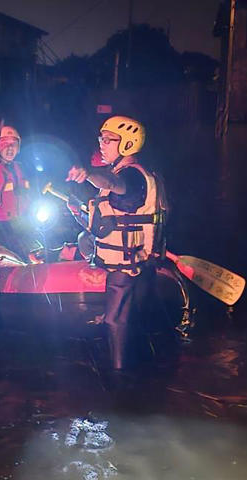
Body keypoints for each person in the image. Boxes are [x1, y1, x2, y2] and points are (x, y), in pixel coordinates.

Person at [65, 115, 166, 371]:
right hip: (138, 264)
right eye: (101, 139)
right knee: (135, 320)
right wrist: (79, 212)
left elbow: (114, 184)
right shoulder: (135, 174)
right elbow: (107, 223)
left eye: (108, 140)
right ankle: (151, 367)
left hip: (127, 266)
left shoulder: (130, 176)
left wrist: (88, 174)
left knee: (114, 321)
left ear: (128, 144)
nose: (102, 144)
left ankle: (118, 380)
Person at [0, 124, 39, 262]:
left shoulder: (23, 168)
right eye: (5, 143)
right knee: (17, 258)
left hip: (24, 222)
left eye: (14, 144)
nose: (10, 148)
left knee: (39, 253)